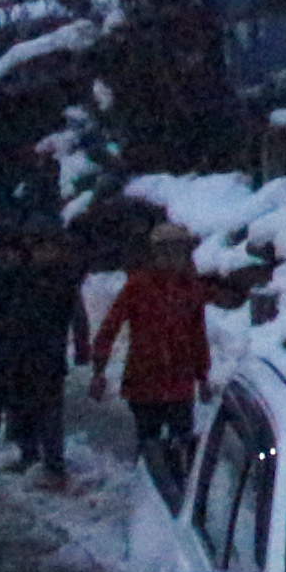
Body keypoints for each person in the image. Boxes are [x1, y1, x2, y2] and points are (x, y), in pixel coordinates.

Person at [85, 208, 220, 492]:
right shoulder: (138, 286)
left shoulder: (190, 288)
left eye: (179, 252)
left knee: (183, 440)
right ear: (154, 254)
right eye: (166, 252)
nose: (173, 259)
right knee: (149, 440)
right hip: (144, 379)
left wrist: (202, 376)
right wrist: (99, 368)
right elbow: (111, 325)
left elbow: (198, 333)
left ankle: (181, 492)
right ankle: (147, 492)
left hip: (180, 380)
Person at [0, 217, 85, 487]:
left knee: (48, 410)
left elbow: (76, 314)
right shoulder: (17, 275)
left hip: (47, 355)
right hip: (18, 354)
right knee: (20, 405)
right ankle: (28, 453)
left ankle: (54, 464)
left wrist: (81, 346)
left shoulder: (61, 279)